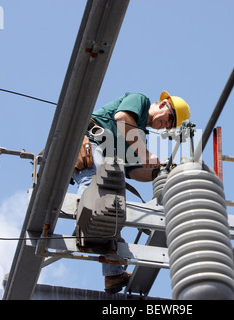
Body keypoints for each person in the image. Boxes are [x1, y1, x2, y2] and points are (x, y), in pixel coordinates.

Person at [72, 91, 191, 294]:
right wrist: (145, 152)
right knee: (98, 192)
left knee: (111, 212)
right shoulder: (140, 101)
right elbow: (122, 118)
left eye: (170, 126)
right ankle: (84, 223)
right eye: (169, 119)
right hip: (90, 144)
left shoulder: (139, 136)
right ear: (163, 104)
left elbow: (134, 172)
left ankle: (113, 274)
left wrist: (159, 172)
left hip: (103, 160)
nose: (166, 125)